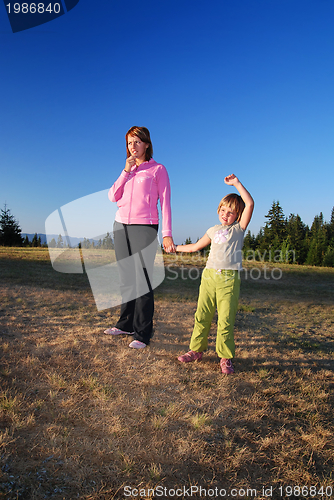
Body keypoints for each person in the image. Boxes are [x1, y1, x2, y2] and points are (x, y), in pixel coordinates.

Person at [104, 126, 175, 349]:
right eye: (128, 143)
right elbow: (112, 196)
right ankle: (125, 324)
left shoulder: (158, 169)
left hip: (145, 227)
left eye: (136, 142)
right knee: (126, 278)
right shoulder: (129, 170)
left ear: (146, 144)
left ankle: (142, 333)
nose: (132, 147)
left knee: (142, 281)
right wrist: (125, 171)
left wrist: (167, 234)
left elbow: (165, 203)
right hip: (121, 225)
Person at [176, 174, 254, 374]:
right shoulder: (212, 230)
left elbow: (250, 202)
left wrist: (236, 183)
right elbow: (194, 247)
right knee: (201, 315)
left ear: (238, 215)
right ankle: (196, 350)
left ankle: (225, 357)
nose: (226, 214)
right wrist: (175, 247)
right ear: (218, 210)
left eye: (231, 212)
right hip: (209, 276)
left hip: (228, 279)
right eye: (223, 210)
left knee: (225, 319)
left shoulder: (239, 229)